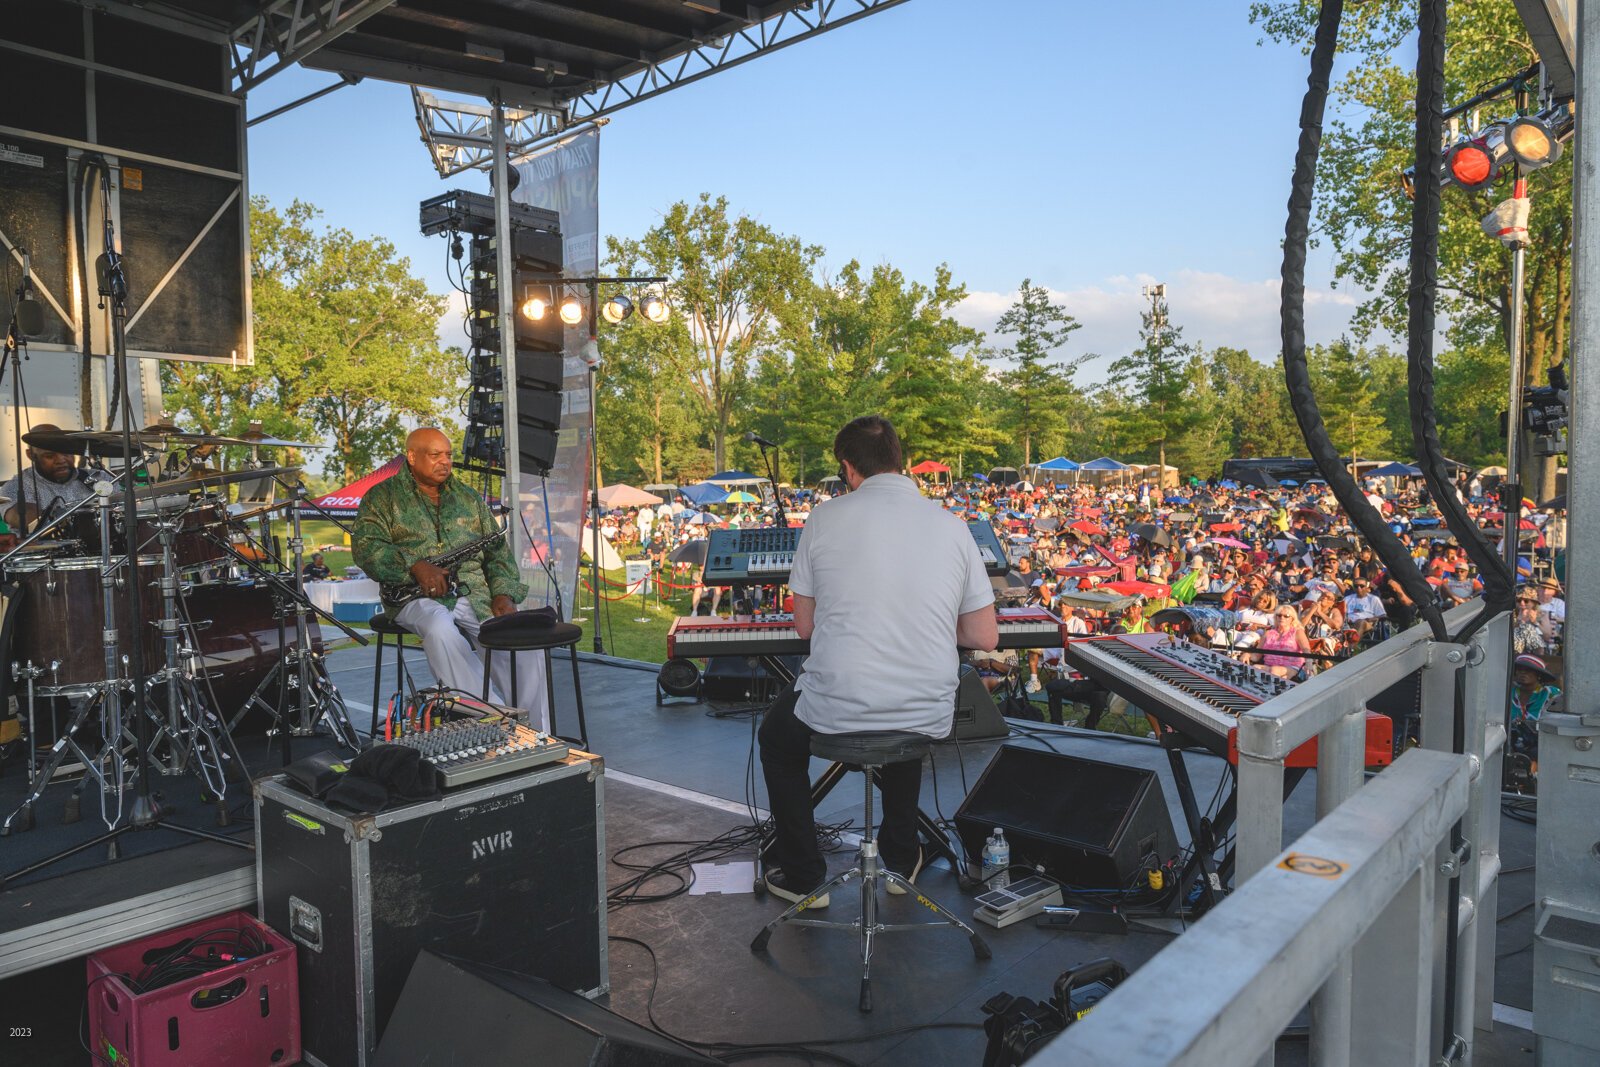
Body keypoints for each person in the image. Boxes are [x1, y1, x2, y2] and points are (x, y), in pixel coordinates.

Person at [758, 415, 997, 906]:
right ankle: (901, 856)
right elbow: (983, 636)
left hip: (837, 708)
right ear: (902, 463)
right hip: (925, 713)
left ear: (848, 469)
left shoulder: (823, 520)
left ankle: (805, 876)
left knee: (778, 740)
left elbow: (804, 628)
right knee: (901, 721)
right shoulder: (952, 527)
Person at [352, 428, 548, 730]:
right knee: (440, 629)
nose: (445, 462)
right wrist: (414, 566)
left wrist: (503, 593)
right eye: (435, 455)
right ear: (412, 457)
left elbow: (497, 552)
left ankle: (535, 733)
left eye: (449, 455)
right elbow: (367, 549)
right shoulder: (382, 497)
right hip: (412, 595)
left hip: (475, 593)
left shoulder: (469, 498)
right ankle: (494, 724)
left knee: (523, 646)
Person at [1, 424, 107, 534]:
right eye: (50, 456)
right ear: (31, 455)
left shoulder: (101, 478)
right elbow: (21, 518)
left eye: (66, 452)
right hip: (45, 550)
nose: (61, 460)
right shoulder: (16, 486)